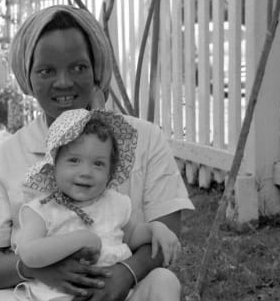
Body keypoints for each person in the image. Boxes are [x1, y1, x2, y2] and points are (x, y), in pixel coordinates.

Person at [0, 4, 195, 301]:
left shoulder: (145, 138)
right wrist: (35, 269)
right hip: (44, 294)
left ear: (96, 70)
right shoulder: (8, 157)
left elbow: (166, 234)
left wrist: (126, 273)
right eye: (46, 71)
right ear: (27, 78)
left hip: (123, 292)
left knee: (163, 280)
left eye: (78, 67)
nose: (64, 82)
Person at [14, 108, 181, 301]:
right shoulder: (42, 209)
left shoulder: (116, 203)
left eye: (98, 164)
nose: (86, 172)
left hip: (119, 293)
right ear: (53, 166)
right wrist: (81, 239)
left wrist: (154, 229)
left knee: (164, 279)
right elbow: (28, 253)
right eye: (74, 160)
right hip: (62, 295)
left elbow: (132, 235)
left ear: (110, 172)